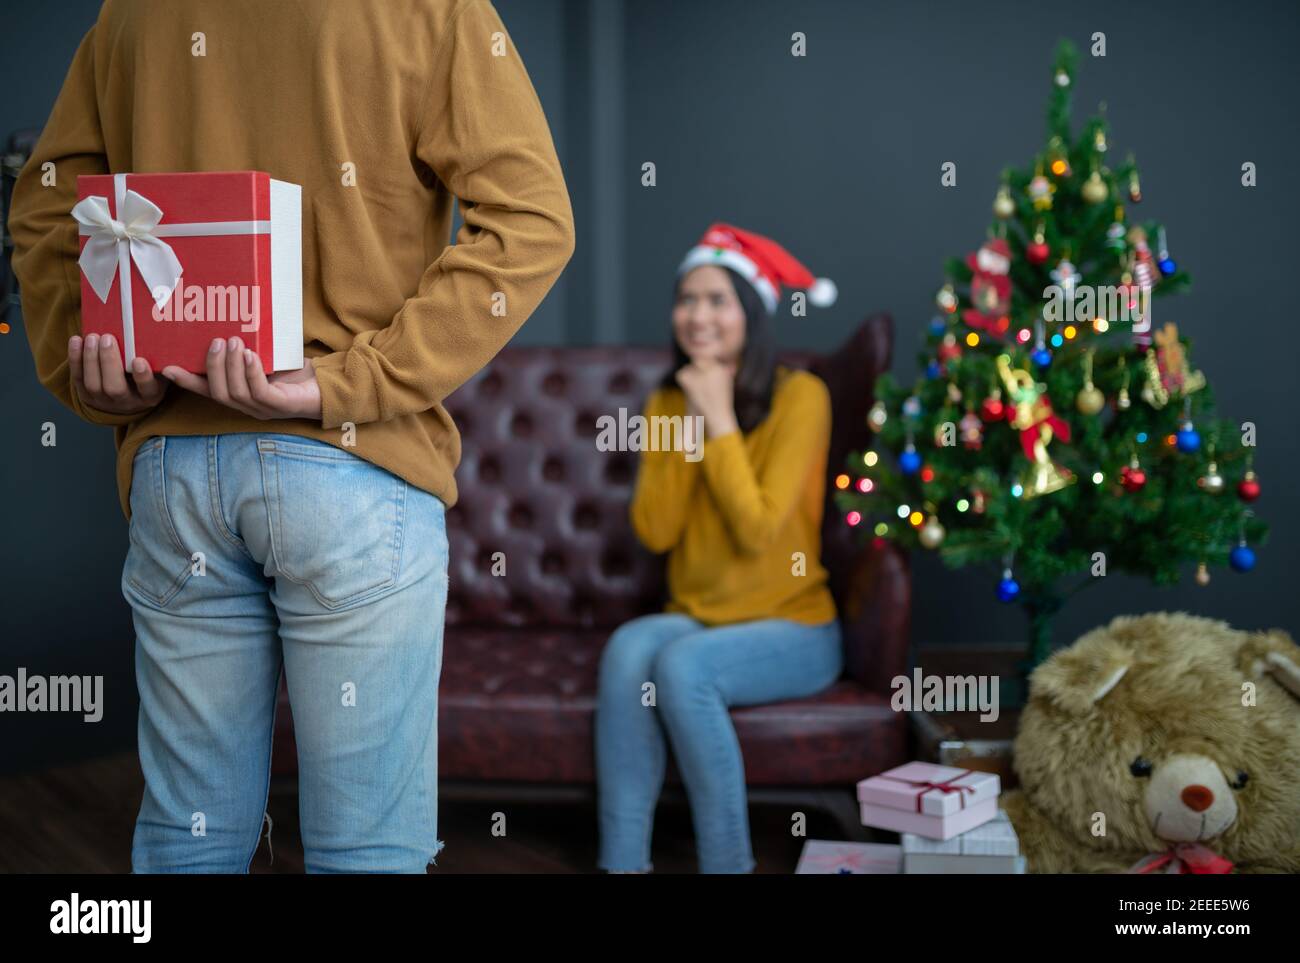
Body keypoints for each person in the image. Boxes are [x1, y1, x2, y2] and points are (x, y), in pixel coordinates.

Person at [8, 0, 574, 873]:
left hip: (175, 469)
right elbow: (533, 221)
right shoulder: (433, 10)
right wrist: (351, 381)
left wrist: (85, 362)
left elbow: (42, 204)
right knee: (367, 851)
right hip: (352, 469)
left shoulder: (130, 13)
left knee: (185, 842)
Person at [595, 223, 842, 873]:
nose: (696, 315)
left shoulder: (802, 397)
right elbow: (657, 530)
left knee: (683, 667)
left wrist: (720, 419)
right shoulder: (668, 400)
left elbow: (757, 529)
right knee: (627, 649)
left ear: (751, 312)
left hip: (793, 625)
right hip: (701, 613)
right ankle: (622, 864)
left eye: (716, 300)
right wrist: (687, 416)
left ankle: (728, 865)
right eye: (686, 299)